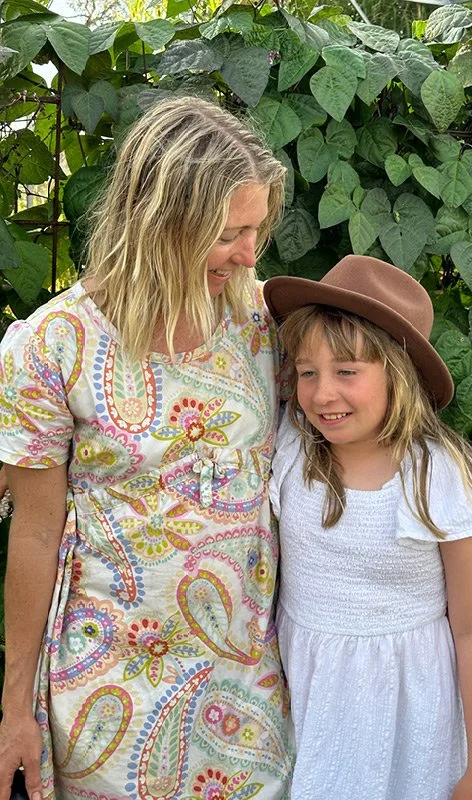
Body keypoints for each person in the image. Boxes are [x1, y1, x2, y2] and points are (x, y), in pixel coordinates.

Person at [0, 96, 293, 800]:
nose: (249, 254)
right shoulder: (54, 345)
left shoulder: (263, 322)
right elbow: (34, 532)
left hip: (245, 690)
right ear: (163, 223)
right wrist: (14, 708)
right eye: (229, 234)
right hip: (107, 691)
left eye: (256, 229)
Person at [263, 255, 472, 800]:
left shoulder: (443, 478)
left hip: (407, 710)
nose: (322, 394)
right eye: (307, 372)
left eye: (346, 372)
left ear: (399, 375)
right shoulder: (294, 449)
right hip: (307, 696)